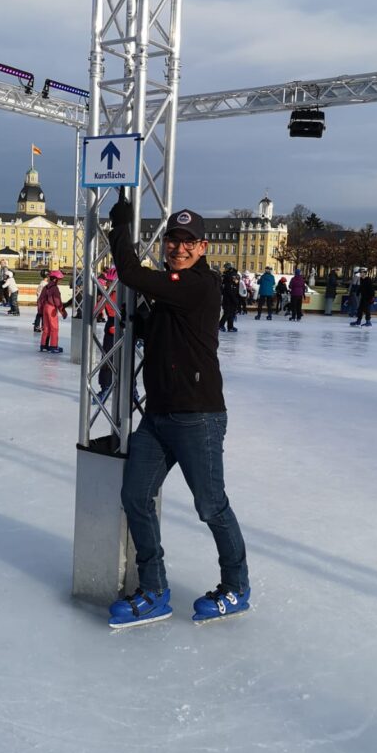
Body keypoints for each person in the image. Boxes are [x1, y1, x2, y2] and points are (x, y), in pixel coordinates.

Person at [106, 195, 250, 628]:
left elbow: (131, 274)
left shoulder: (199, 286)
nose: (180, 248)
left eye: (189, 242)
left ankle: (237, 586)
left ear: (203, 247)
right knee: (135, 497)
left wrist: (120, 228)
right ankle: (154, 589)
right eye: (173, 240)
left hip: (197, 415)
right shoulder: (173, 291)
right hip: (158, 415)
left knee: (211, 506)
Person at [96, 267, 118, 394]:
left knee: (126, 359)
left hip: (123, 326)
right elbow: (96, 310)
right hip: (110, 327)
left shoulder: (126, 295)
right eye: (108, 281)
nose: (109, 284)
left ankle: (132, 390)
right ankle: (105, 386)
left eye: (111, 281)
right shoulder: (107, 295)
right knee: (107, 357)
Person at [38, 269, 67, 352]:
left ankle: (44, 345)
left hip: (45, 308)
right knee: (54, 328)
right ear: (55, 279)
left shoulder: (45, 287)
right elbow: (57, 301)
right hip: (51, 309)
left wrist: (40, 311)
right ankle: (54, 346)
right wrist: (63, 312)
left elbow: (40, 299)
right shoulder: (55, 288)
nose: (60, 281)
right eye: (59, 279)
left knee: (46, 327)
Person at [219, 262, 240, 332]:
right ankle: (227, 326)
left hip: (229, 296)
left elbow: (230, 288)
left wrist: (234, 298)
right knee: (229, 312)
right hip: (231, 296)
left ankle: (225, 326)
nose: (224, 269)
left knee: (228, 312)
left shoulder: (228, 275)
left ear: (228, 268)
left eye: (225, 268)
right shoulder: (232, 275)